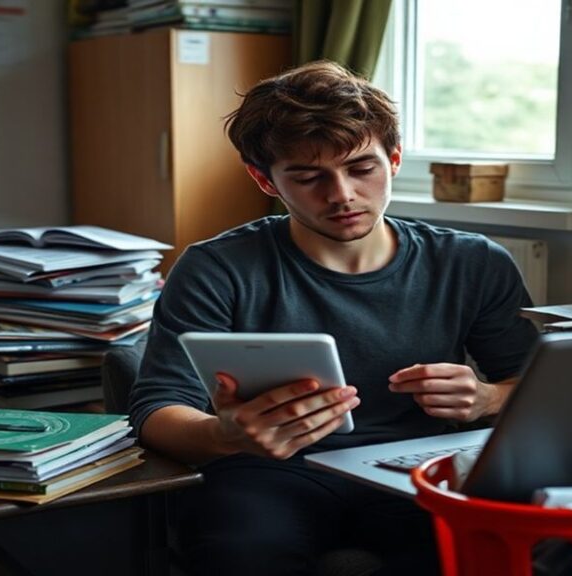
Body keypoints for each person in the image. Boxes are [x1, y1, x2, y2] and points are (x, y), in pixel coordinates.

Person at [129, 60, 538, 576]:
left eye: (361, 168)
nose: (341, 194)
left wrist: (488, 397)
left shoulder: (473, 262)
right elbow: (155, 410)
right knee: (240, 553)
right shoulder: (217, 267)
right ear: (265, 180)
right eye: (308, 177)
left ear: (393, 159)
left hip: (417, 466)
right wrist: (227, 436)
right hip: (268, 472)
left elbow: (535, 384)